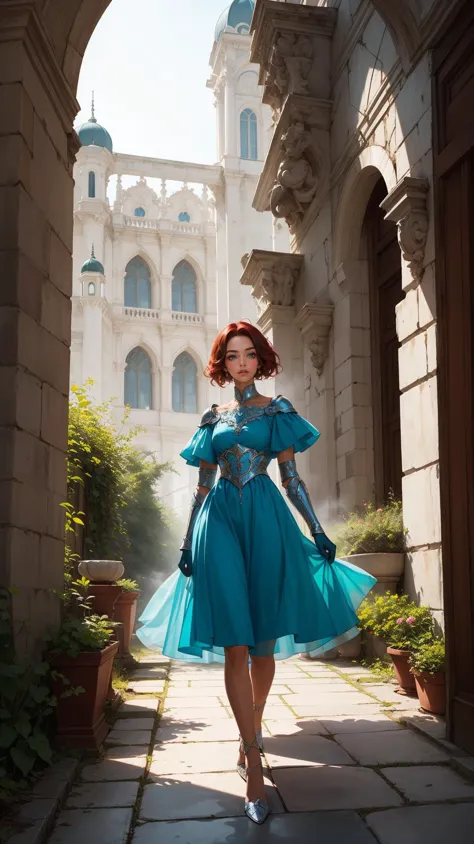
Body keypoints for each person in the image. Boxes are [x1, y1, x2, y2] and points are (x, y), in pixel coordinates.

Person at [137, 321, 376, 825]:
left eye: (248, 354)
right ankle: (250, 767)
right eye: (231, 356)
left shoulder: (279, 412)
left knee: (263, 643)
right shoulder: (212, 418)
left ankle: (255, 730)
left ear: (261, 359)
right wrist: (186, 542)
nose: (240, 363)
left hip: (267, 522)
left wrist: (315, 530)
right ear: (222, 365)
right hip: (219, 522)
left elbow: (291, 480)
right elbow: (201, 488)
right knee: (235, 643)